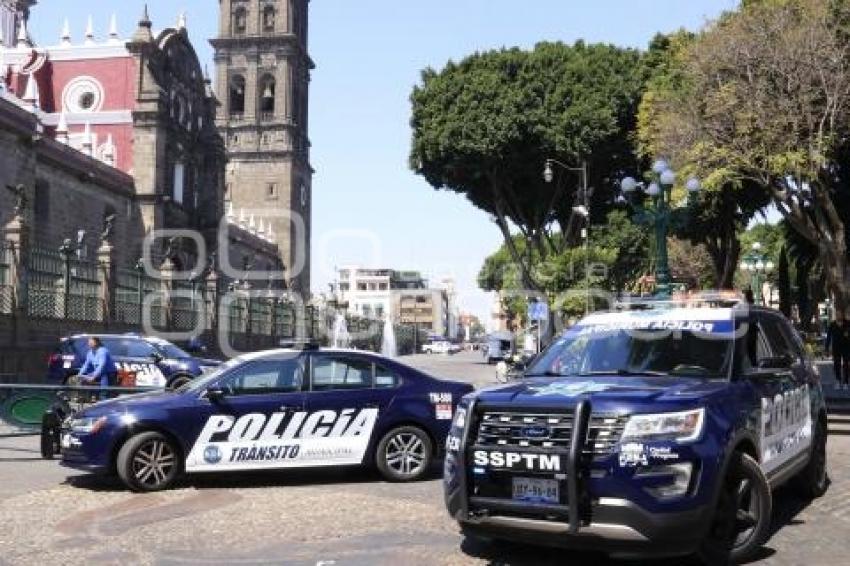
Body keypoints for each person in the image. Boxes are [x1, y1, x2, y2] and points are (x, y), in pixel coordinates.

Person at [825, 312, 850, 390]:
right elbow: (828, 337)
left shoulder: (848, 323)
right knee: (837, 365)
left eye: (840, 314)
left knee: (846, 365)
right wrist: (826, 348)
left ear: (843, 315)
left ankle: (846, 382)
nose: (839, 315)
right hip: (836, 348)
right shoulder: (832, 325)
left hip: (846, 347)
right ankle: (838, 381)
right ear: (836, 315)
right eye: (838, 314)